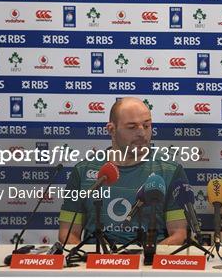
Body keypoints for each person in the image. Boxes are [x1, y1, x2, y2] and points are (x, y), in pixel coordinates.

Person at [58, 97, 187, 245]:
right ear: (111, 130)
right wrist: (100, 261)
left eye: (146, 126)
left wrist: (145, 259)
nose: (142, 134)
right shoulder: (83, 171)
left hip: (148, 262)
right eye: (132, 127)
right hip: (96, 262)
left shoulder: (170, 170)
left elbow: (179, 234)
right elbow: (67, 233)